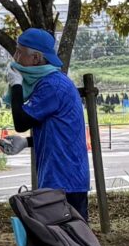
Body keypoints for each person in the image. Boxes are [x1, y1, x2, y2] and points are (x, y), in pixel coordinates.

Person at [8, 28, 93, 220]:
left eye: (19, 52)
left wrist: (16, 85)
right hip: (65, 179)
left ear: (36, 58)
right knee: (67, 235)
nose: (15, 58)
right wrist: (26, 142)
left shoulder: (52, 86)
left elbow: (20, 122)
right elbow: (58, 132)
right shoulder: (55, 82)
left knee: (67, 236)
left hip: (62, 181)